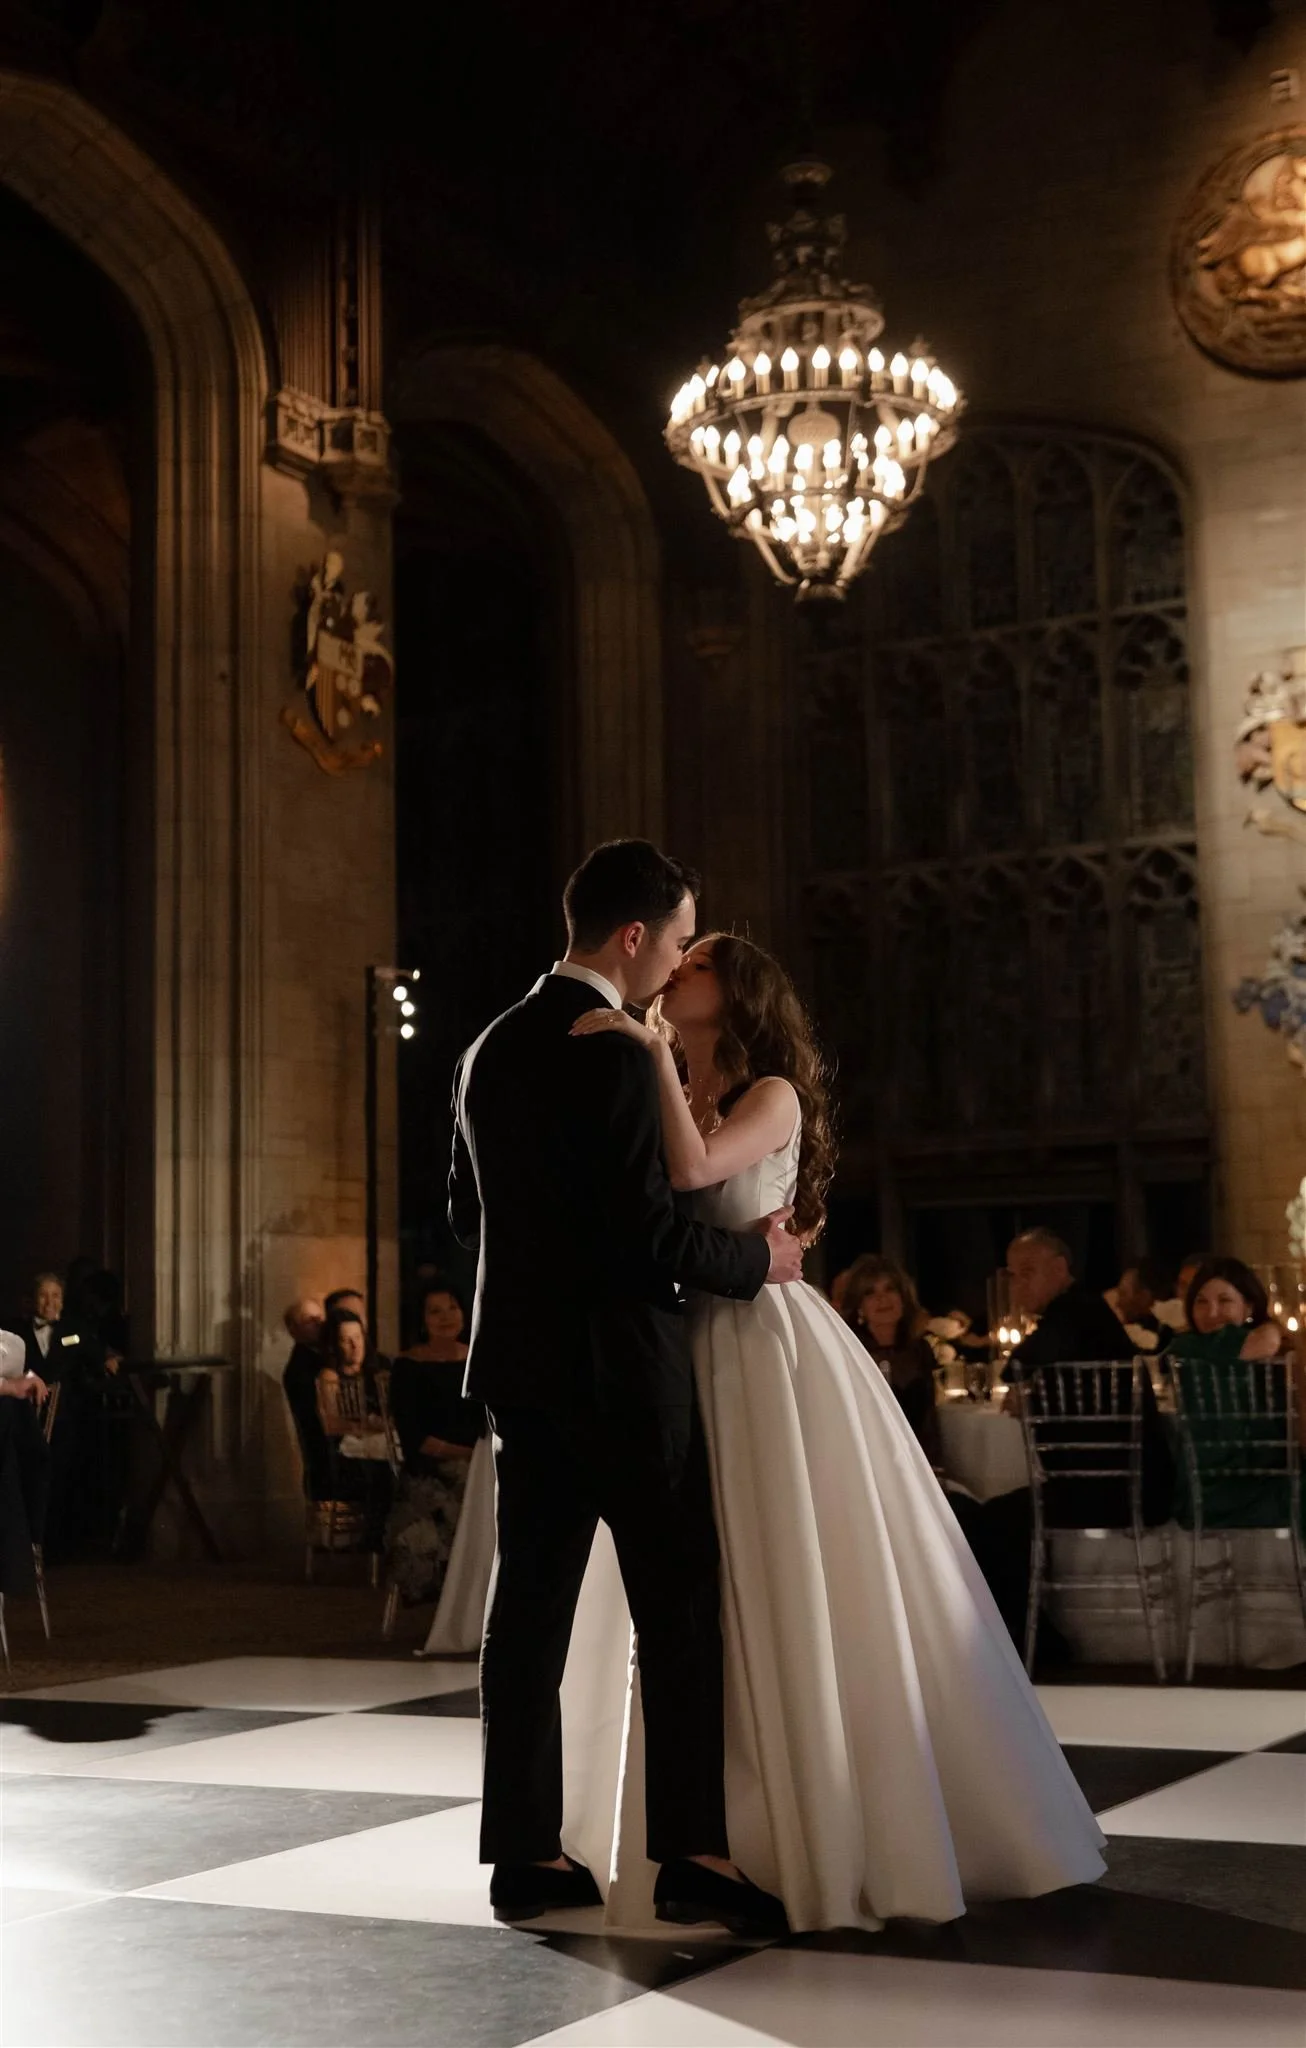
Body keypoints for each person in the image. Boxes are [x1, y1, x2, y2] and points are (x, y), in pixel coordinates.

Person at [566, 932, 1104, 1935]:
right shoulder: (686, 1078)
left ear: (737, 994)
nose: (678, 968)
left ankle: (832, 1824)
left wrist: (646, 1055)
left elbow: (691, 1170)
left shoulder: (769, 1091)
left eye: (700, 962)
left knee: (791, 1564)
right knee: (697, 1584)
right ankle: (703, 1830)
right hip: (689, 1337)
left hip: (765, 1344)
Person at [450, 838, 800, 1933]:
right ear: (635, 935)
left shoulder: (487, 1045)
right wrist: (761, 1263)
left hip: (521, 1366)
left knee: (528, 1617)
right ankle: (693, 1852)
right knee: (678, 1608)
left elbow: (466, 1217)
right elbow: (642, 1230)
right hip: (623, 1371)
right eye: (681, 937)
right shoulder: (605, 1047)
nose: (683, 957)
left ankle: (522, 1850)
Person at [1167, 1257, 1300, 1528]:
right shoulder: (1191, 1347)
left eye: (1224, 1301)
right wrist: (1275, 1326)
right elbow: (1263, 1342)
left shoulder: (1187, 1347)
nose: (1212, 1312)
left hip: (1211, 1491)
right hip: (1239, 1489)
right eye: (1201, 1302)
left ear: (1248, 1306)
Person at [385, 1283, 484, 1604]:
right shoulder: (409, 1367)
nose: (446, 1317)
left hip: (482, 1463)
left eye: (452, 1308)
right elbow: (415, 1438)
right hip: (434, 1470)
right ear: (422, 1319)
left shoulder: (480, 1358)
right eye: (435, 1311)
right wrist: (470, 1454)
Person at [843, 1254, 941, 1464]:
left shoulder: (920, 1350)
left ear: (903, 1298)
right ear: (859, 1306)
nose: (882, 1299)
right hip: (869, 1464)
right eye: (870, 1293)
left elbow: (930, 1421)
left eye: (890, 1289)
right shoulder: (851, 1352)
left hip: (918, 1463)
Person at [281, 1298, 329, 1496]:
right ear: (294, 1329)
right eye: (310, 1320)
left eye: (320, 1317)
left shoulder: (326, 1355)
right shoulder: (300, 1368)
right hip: (322, 1450)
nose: (319, 1323)